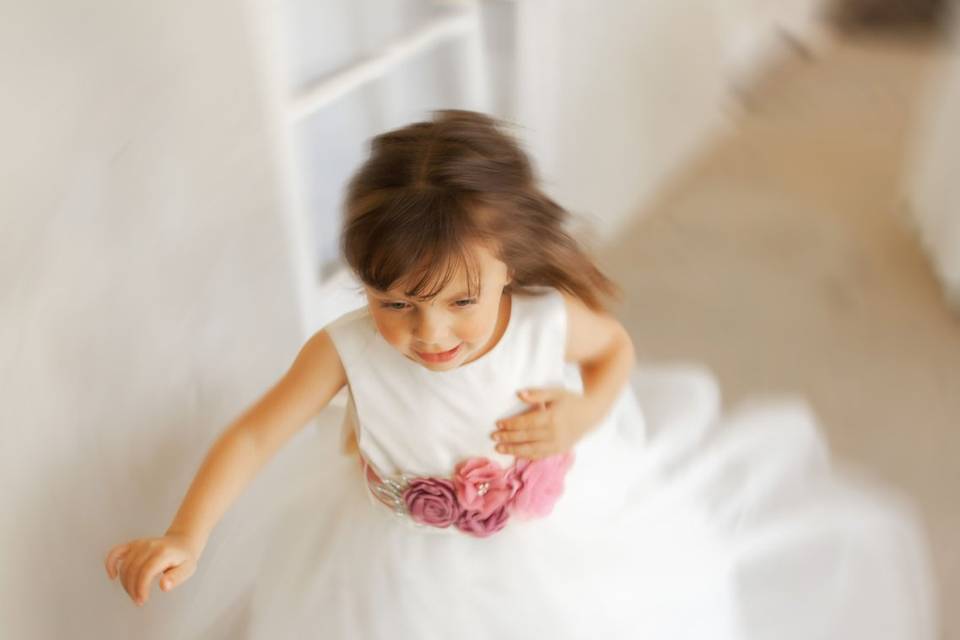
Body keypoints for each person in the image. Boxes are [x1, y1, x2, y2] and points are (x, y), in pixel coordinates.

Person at [104, 110, 935, 639]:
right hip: (393, 557)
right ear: (361, 284)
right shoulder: (347, 349)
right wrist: (188, 532)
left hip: (552, 540)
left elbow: (615, 353)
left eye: (459, 301)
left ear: (511, 267)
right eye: (395, 302)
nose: (429, 334)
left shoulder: (542, 321)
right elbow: (256, 434)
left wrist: (581, 416)